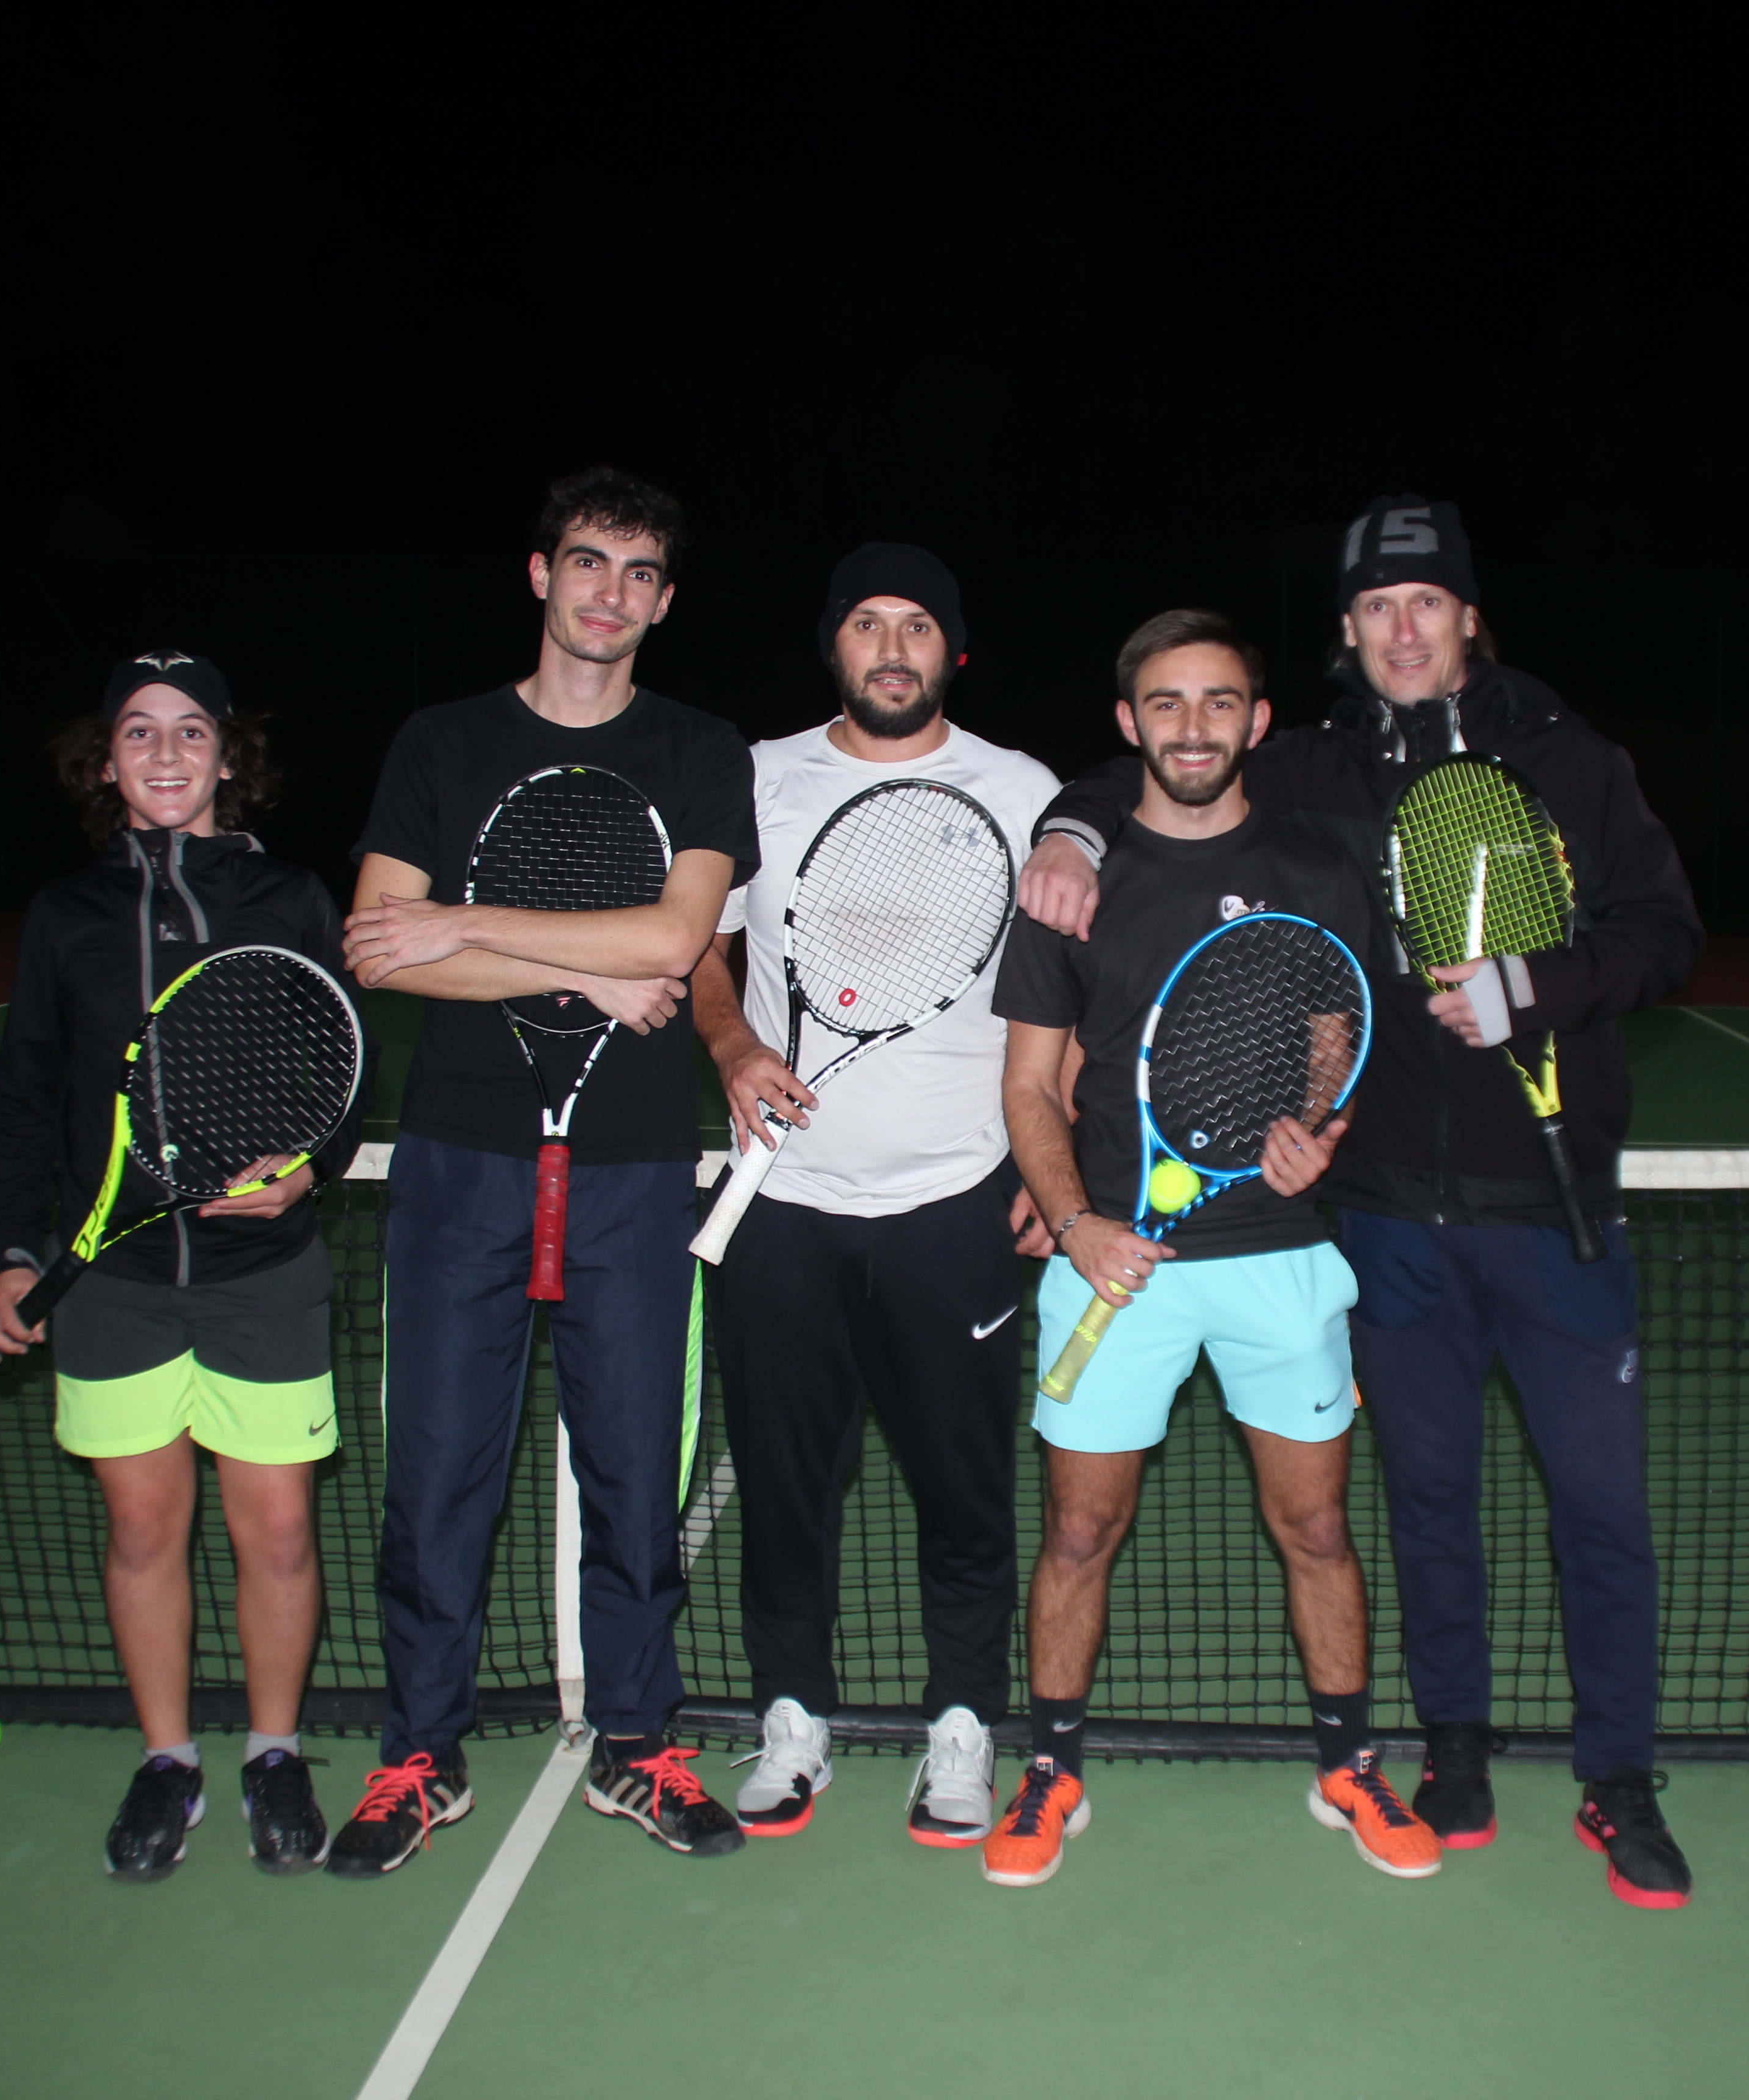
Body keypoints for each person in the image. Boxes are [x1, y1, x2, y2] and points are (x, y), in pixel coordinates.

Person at [1015, 498, 1705, 1908]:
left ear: (1466, 617)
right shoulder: (1320, 770)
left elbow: (1666, 935)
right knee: (1428, 1504)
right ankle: (1448, 1750)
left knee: (1599, 1511)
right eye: (1377, 608)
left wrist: (1530, 988)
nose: (1403, 629)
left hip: (1544, 1202)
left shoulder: (1571, 763)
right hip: (1381, 1218)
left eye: (1428, 604)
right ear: (1345, 632)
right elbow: (1161, 768)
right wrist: (1070, 831)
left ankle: (1617, 1777)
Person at [332, 465, 758, 1873]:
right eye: (588, 564)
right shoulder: (440, 742)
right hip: (461, 1162)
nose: (609, 595)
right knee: (440, 1469)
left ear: (665, 602)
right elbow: (381, 942)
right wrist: (546, 949)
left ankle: (639, 1748)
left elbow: (675, 941)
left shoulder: (701, 747)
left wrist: (467, 930)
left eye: (639, 575)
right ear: (540, 574)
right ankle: (418, 1752)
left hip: (636, 1163)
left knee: (639, 1469)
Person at [985, 607, 1437, 1889]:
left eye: (1221, 703)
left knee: (1316, 1529)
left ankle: (1348, 1765)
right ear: (1128, 724)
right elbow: (1029, 1087)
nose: (1196, 727)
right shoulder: (1069, 885)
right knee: (1077, 1533)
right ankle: (1051, 1770)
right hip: (1113, 1263)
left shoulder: (1319, 862)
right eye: (1169, 705)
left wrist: (1321, 1122)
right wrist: (1076, 1224)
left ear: (1257, 720)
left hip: (1280, 1258)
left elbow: (1330, 1019)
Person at [0, 648, 365, 1881]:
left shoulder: (291, 897)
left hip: (266, 1274)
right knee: (145, 1529)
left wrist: (314, 1163)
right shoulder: (66, 918)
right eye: (138, 734)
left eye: (190, 732)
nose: (165, 755)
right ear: (105, 763)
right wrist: (14, 1252)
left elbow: (347, 1066)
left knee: (280, 1531)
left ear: (229, 758)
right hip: (121, 1283)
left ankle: (272, 1750)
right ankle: (167, 1763)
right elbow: (27, 1099)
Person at [690, 544, 1059, 1844]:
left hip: (957, 1200)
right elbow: (703, 948)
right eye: (865, 623)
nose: (891, 647)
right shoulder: (760, 778)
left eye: (917, 626)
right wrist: (733, 1047)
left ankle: (963, 1724)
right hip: (782, 1204)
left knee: (963, 1488)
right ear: (833, 647)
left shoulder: (1024, 792)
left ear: (953, 651)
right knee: (787, 1486)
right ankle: (793, 1717)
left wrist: (1048, 1163)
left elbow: (1062, 999)